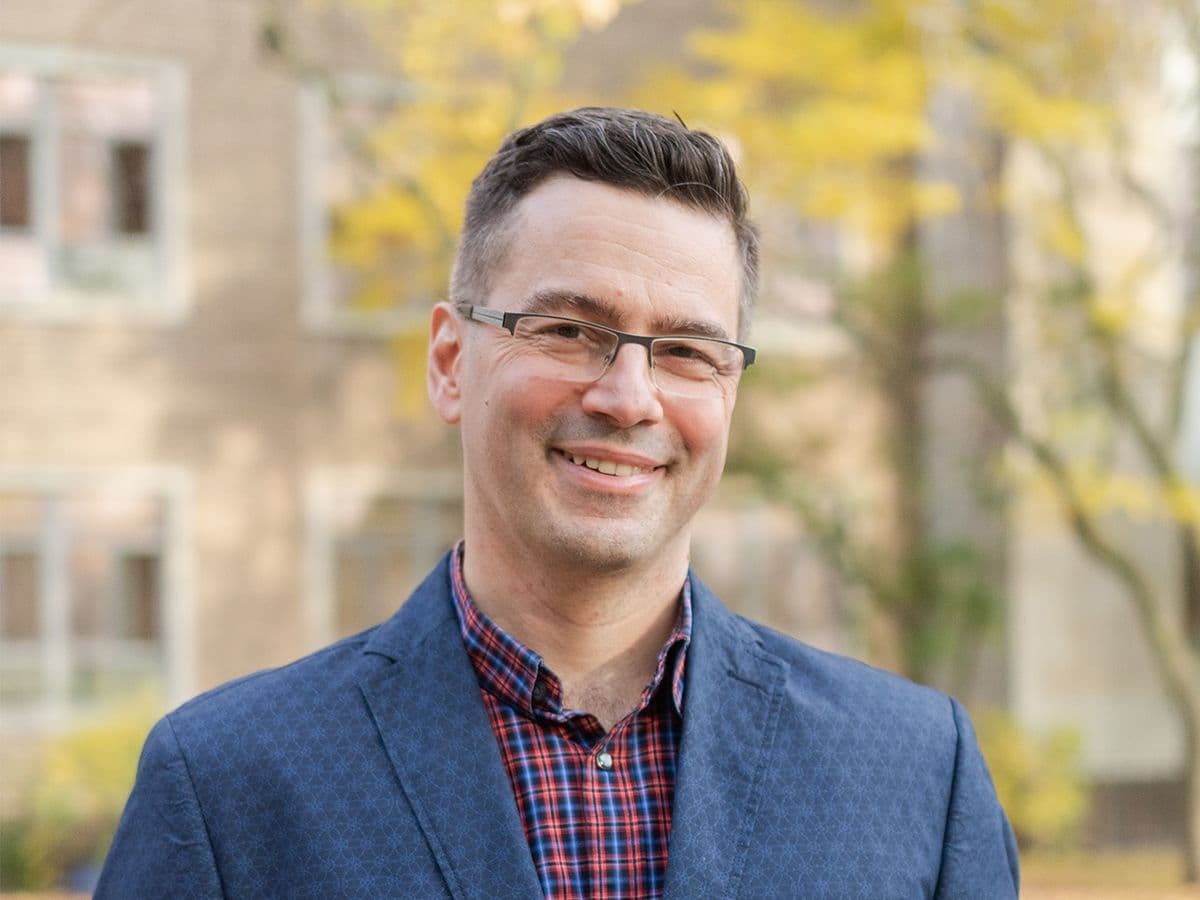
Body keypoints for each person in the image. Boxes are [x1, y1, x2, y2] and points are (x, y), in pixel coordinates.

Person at [97, 107, 1019, 898]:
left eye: (688, 351)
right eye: (571, 330)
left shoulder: (915, 772)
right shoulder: (225, 789)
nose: (629, 397)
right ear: (450, 363)